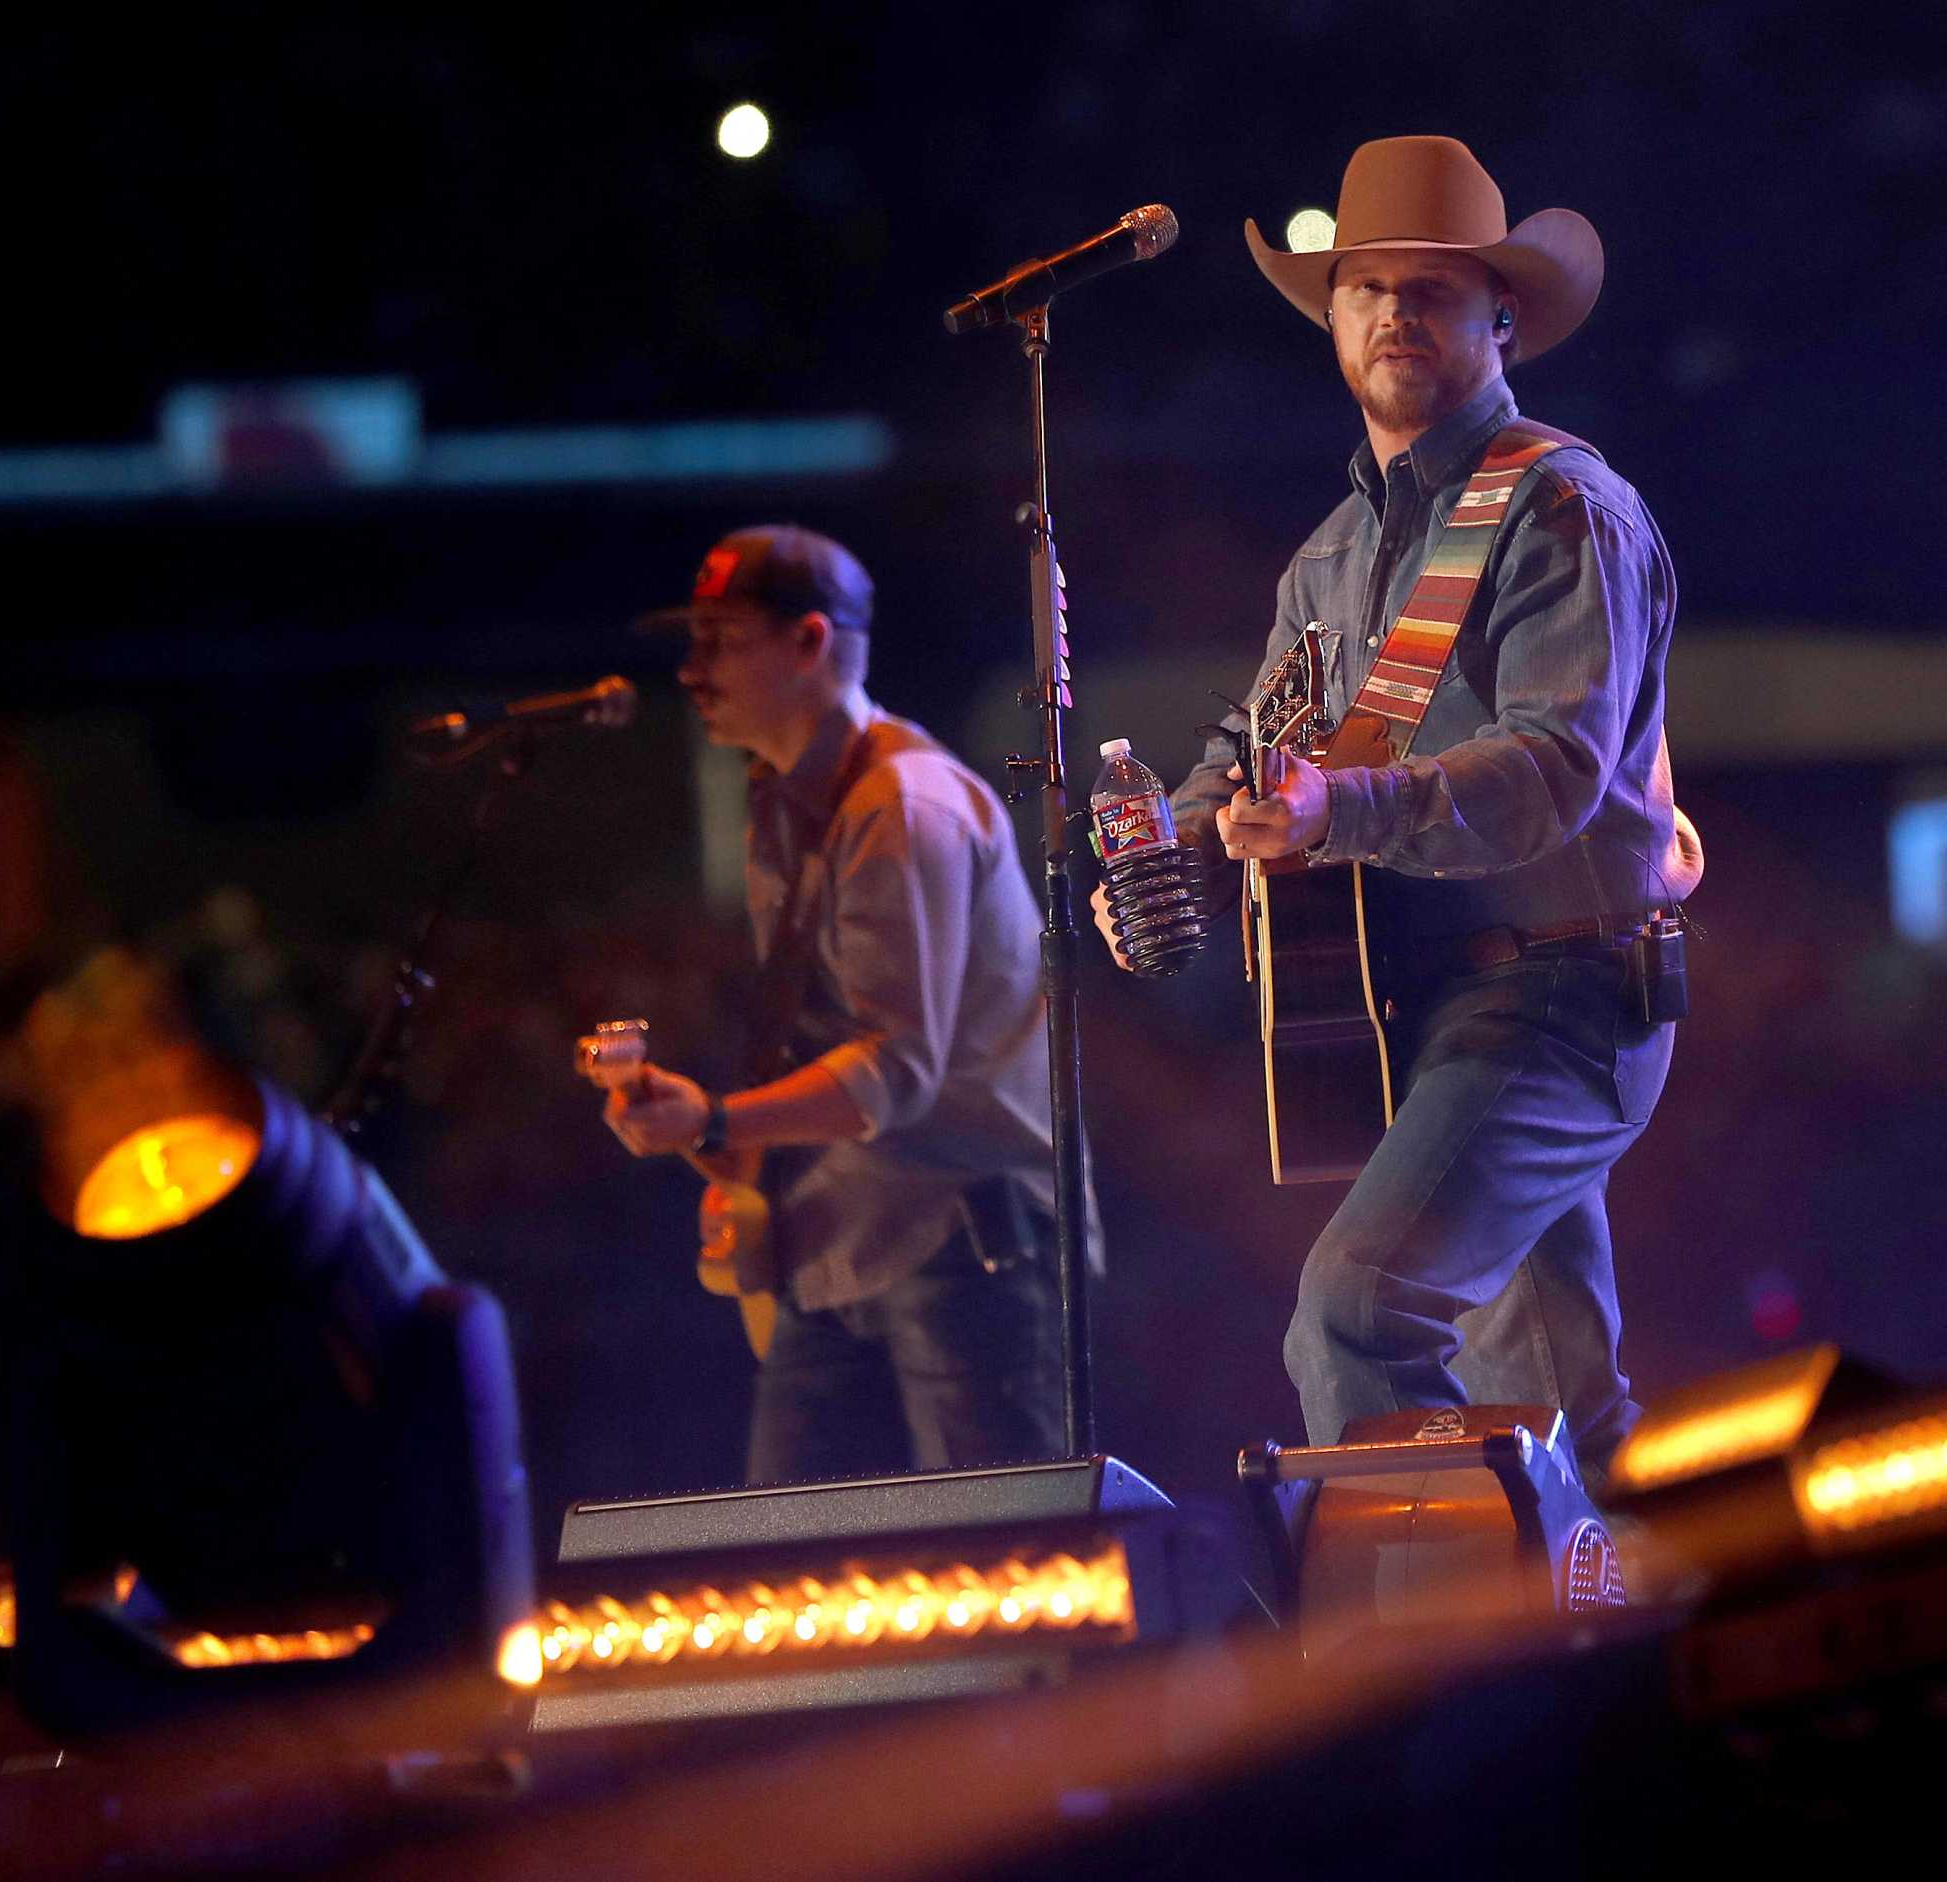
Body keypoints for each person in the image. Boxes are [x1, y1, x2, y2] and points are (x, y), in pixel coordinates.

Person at [1097, 136, 1690, 1483]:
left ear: (1500, 317)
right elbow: (1249, 745)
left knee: (1359, 1312)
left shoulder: (1561, 508)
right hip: (1425, 1015)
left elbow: (1549, 769)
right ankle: (1613, 1650)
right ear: (1333, 319)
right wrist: (1157, 840)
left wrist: (1334, 810)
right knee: (1557, 1410)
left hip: (1561, 996)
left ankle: (1415, 1669)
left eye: (1432, 290)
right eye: (1367, 289)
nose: (1394, 316)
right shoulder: (1334, 552)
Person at [603, 524, 1070, 1484]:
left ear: (810, 642)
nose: (690, 671)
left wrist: (723, 1116)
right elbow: (825, 1041)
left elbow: (893, 1071)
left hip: (954, 1243)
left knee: (1004, 1575)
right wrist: (717, 1140)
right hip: (834, 1237)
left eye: (719, 640)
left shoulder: (902, 806)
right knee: (798, 1589)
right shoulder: (783, 801)